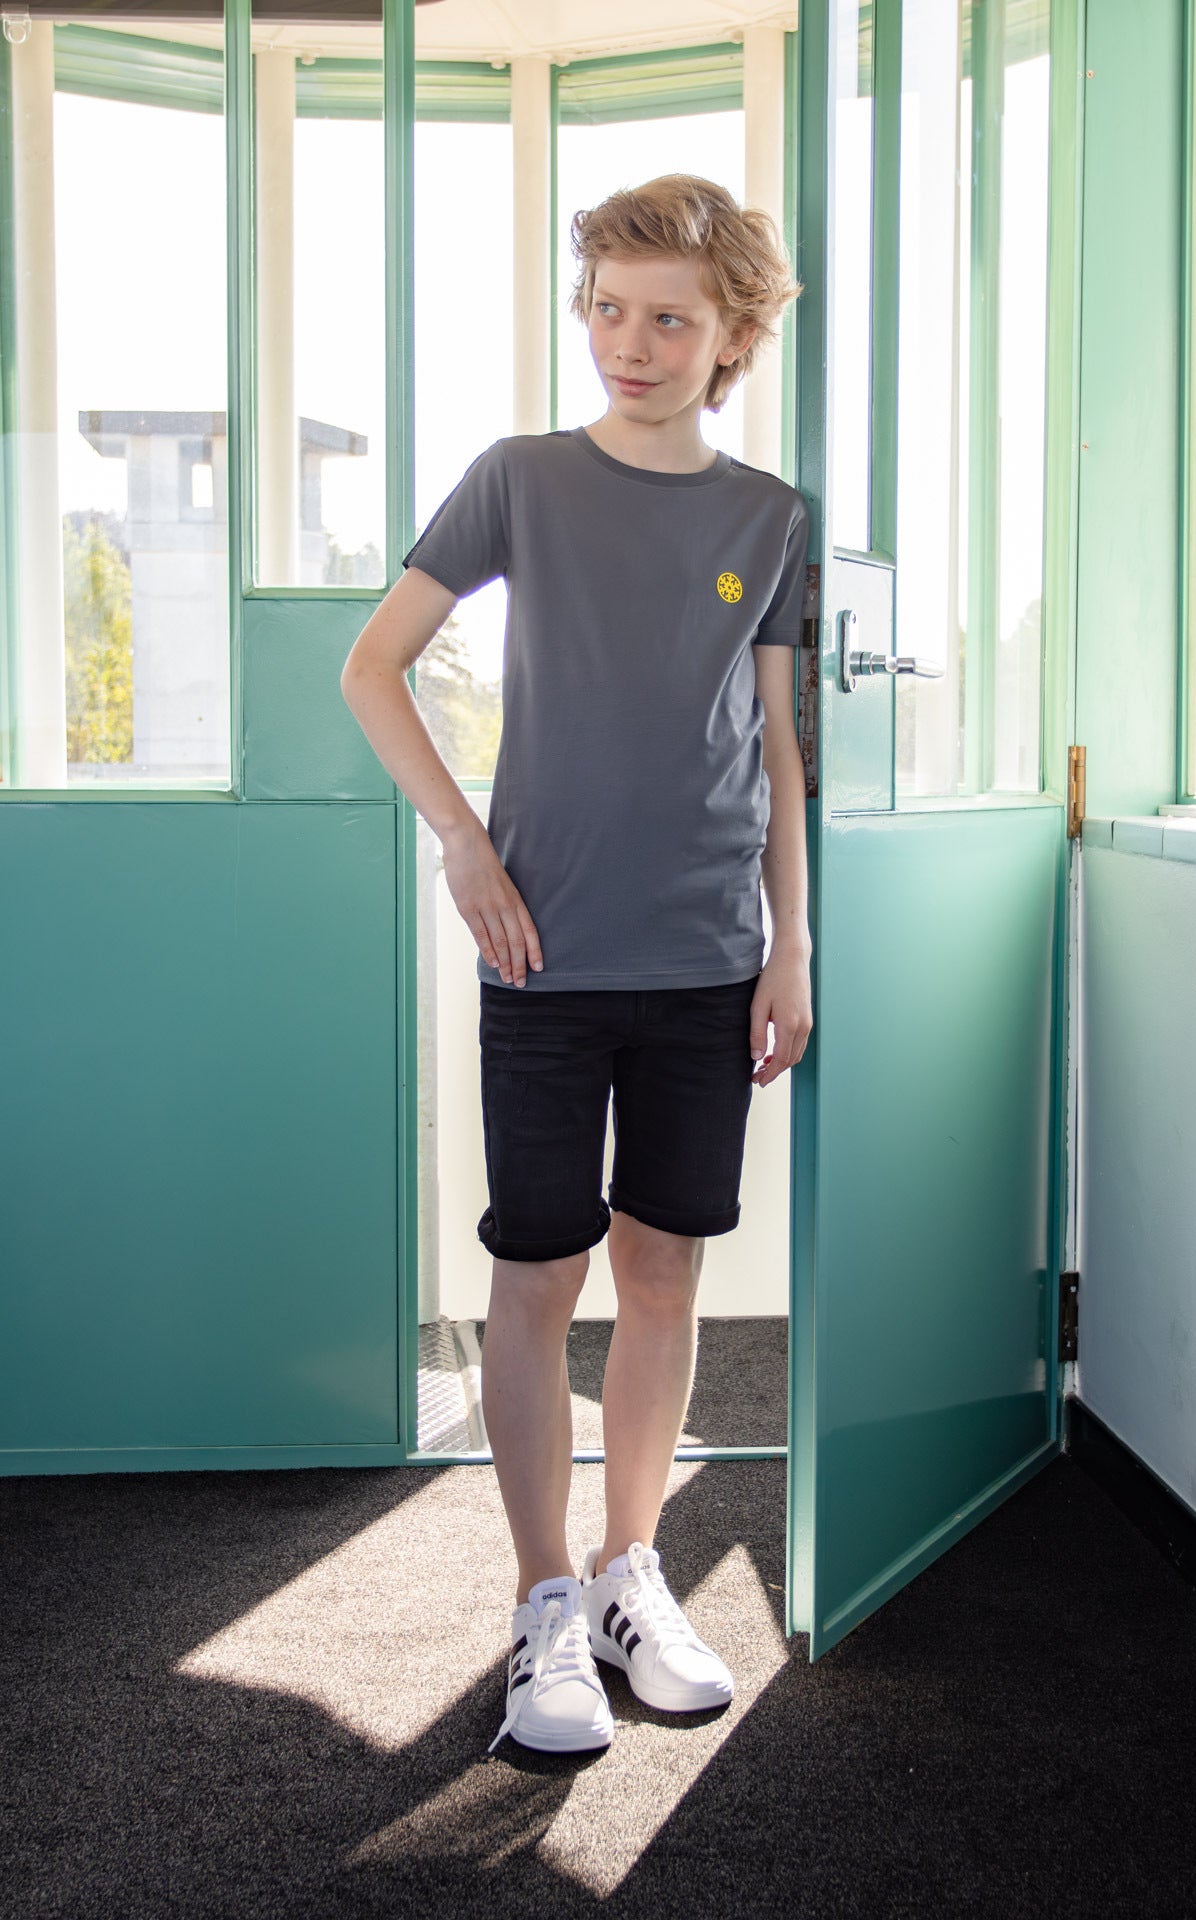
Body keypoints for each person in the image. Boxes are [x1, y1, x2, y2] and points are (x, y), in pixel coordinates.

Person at [341, 173, 813, 1755]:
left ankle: (628, 1572)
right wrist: (463, 846)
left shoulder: (770, 519)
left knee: (664, 1272)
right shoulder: (519, 480)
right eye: (607, 308)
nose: (629, 343)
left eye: (669, 318)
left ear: (733, 336)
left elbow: (778, 747)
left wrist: (791, 941)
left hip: (707, 962)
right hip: (542, 962)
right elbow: (372, 667)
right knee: (538, 1274)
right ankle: (545, 1598)